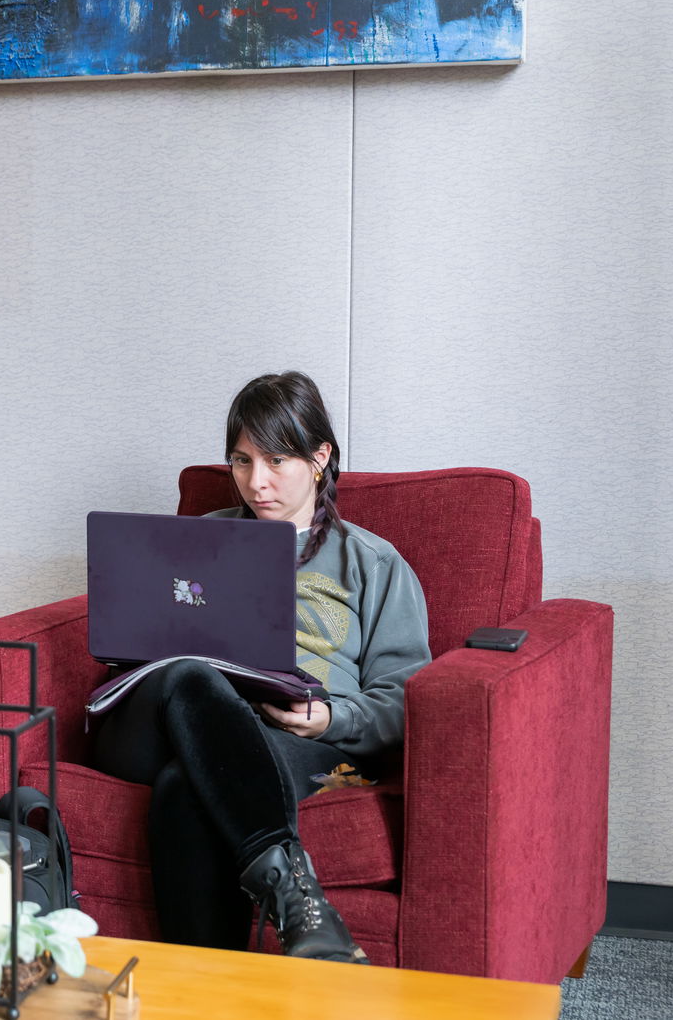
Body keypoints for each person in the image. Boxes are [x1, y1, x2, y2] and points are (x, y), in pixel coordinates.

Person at [91, 371, 430, 963]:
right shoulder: (193, 542)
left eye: (276, 460)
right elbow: (134, 640)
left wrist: (329, 718)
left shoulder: (371, 561)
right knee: (192, 675)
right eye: (242, 461)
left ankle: (202, 994)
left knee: (187, 785)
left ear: (320, 457)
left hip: (296, 740)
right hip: (161, 717)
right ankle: (296, 895)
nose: (257, 482)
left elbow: (405, 700)